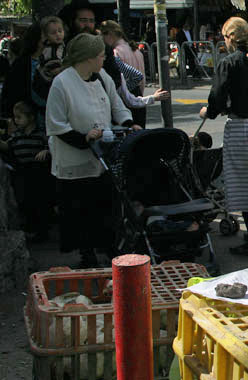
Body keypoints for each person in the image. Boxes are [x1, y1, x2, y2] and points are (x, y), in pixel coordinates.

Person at [45, 33, 140, 268]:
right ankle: (85, 253)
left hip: (101, 157)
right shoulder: (62, 83)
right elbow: (56, 124)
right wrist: (84, 138)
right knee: (79, 209)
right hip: (74, 157)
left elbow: (116, 105)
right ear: (87, 58)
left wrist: (129, 123)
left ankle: (108, 248)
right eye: (99, 56)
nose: (103, 60)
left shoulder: (101, 77)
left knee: (104, 206)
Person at [199, 17, 248, 257]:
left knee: (246, 183)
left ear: (228, 38)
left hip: (242, 128)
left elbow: (217, 99)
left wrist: (209, 111)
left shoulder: (229, 63)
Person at [0, 101, 53, 241]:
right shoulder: (17, 135)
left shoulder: (40, 134)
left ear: (31, 118)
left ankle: (43, 231)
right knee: (26, 200)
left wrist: (46, 151)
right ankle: (31, 228)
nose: (16, 120)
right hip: (23, 171)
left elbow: (51, 146)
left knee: (40, 201)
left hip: (38, 170)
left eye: (19, 117)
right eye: (15, 117)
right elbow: (7, 146)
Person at [100, 20, 148, 127]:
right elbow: (142, 77)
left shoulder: (115, 52)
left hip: (125, 99)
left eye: (102, 35)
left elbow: (134, 76)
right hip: (138, 96)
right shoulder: (135, 49)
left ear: (110, 34)